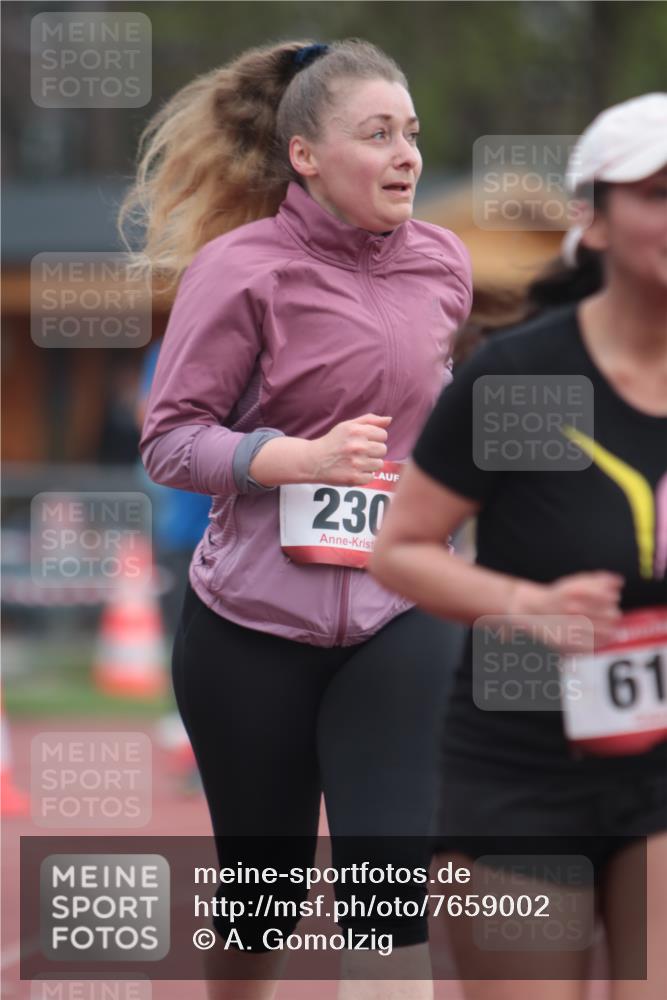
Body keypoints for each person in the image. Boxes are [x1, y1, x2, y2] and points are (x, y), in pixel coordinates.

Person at [126, 39, 472, 1000]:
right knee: (263, 899)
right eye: (376, 134)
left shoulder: (443, 263)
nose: (405, 153)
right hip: (250, 625)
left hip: (402, 610)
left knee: (386, 884)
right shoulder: (238, 270)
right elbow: (171, 441)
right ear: (305, 157)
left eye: (409, 132)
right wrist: (294, 460)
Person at [370, 92, 667, 999]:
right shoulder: (523, 377)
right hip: (519, 776)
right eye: (657, 192)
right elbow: (401, 550)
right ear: (596, 219)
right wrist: (524, 605)